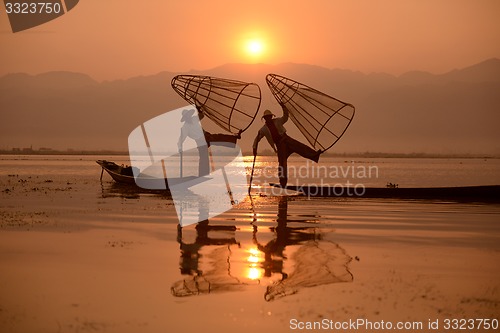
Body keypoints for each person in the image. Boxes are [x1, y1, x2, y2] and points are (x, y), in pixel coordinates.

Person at [253, 108, 322, 186]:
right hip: (280, 145)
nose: (268, 118)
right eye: (267, 117)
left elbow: (285, 117)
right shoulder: (263, 129)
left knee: (300, 147)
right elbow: (257, 138)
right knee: (282, 163)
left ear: (271, 117)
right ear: (265, 118)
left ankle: (314, 154)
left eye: (269, 116)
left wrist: (284, 107)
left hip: (286, 139)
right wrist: (254, 148)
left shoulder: (278, 121)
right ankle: (283, 181)